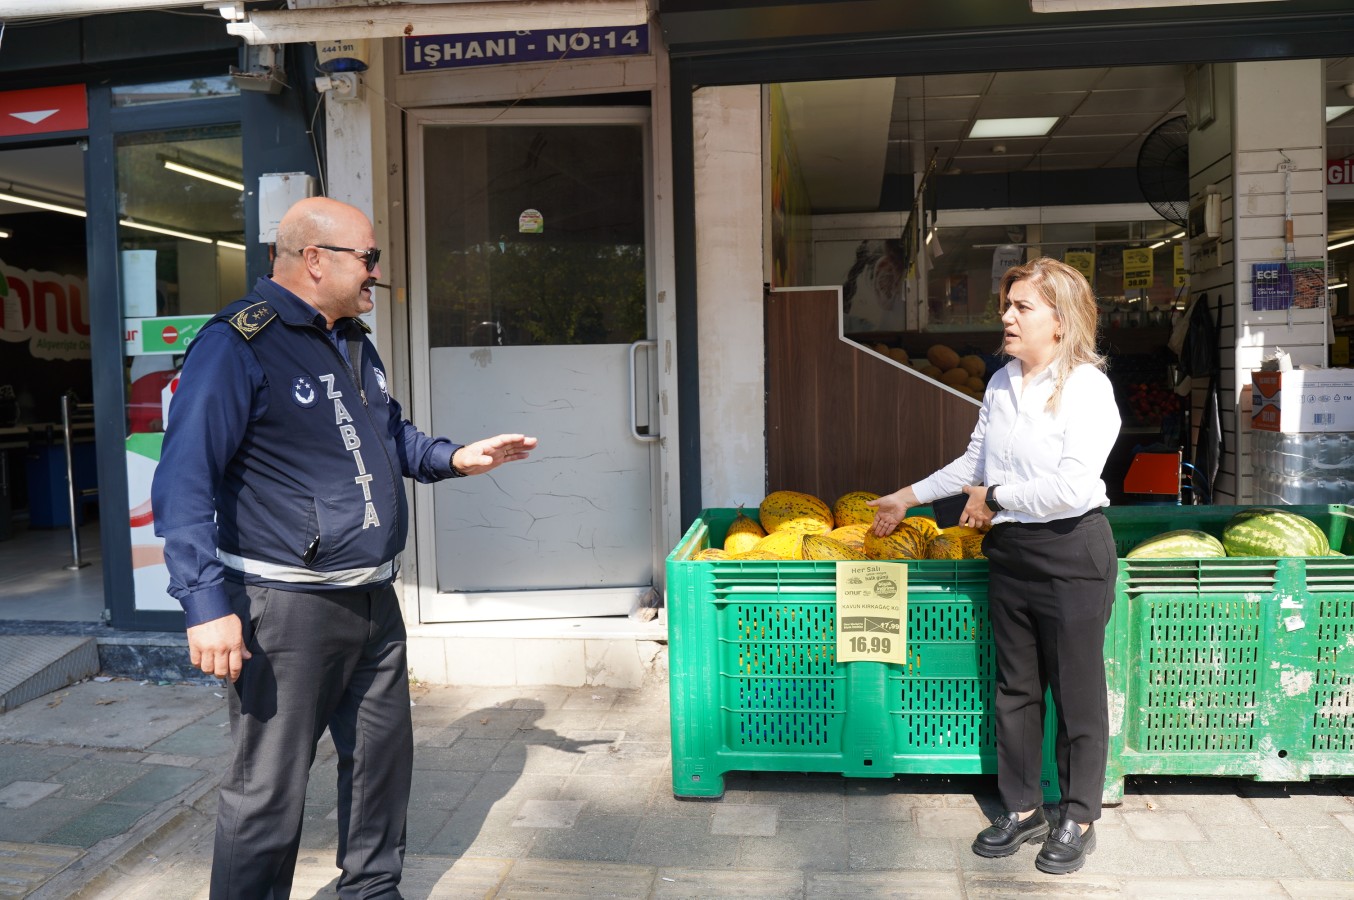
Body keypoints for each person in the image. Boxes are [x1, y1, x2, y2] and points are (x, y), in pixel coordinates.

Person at [152, 196, 537, 899]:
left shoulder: (351, 339)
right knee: (267, 790)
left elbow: (389, 437)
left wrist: (455, 458)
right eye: (368, 257)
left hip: (371, 598)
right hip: (283, 609)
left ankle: (371, 891)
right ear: (315, 259)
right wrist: (205, 603)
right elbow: (182, 481)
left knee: (380, 767)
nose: (376, 274)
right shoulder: (238, 343)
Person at [867, 256, 1120, 876]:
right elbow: (974, 464)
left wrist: (996, 499)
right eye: (1006, 306)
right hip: (1011, 552)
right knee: (1016, 688)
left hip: (1071, 552)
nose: (1006, 318)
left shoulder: (1087, 387)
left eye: (1021, 307)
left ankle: (1079, 815)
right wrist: (907, 496)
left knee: (1078, 694)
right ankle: (1023, 805)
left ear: (1059, 320)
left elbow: (1069, 487)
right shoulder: (1003, 381)